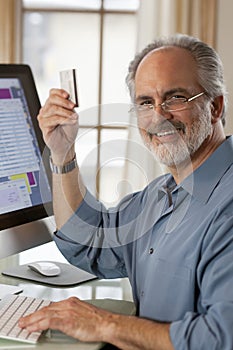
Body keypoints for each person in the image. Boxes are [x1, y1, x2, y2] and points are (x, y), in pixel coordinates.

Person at [19, 34, 233, 349]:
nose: (159, 115)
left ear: (214, 107)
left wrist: (105, 324)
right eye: (146, 102)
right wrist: (63, 153)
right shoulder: (161, 195)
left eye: (175, 97)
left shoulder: (226, 209)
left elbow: (220, 338)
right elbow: (88, 243)